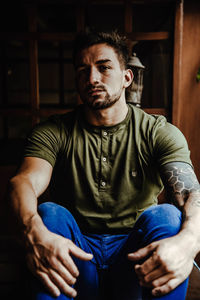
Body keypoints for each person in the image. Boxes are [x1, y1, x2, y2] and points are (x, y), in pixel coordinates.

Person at [9, 30, 200, 300]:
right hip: (75, 260)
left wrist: (189, 242)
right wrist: (32, 229)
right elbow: (25, 181)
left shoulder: (157, 131)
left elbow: (192, 193)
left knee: (167, 217)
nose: (92, 78)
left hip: (135, 261)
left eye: (104, 67)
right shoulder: (54, 131)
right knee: (49, 214)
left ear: (126, 78)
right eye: (82, 70)